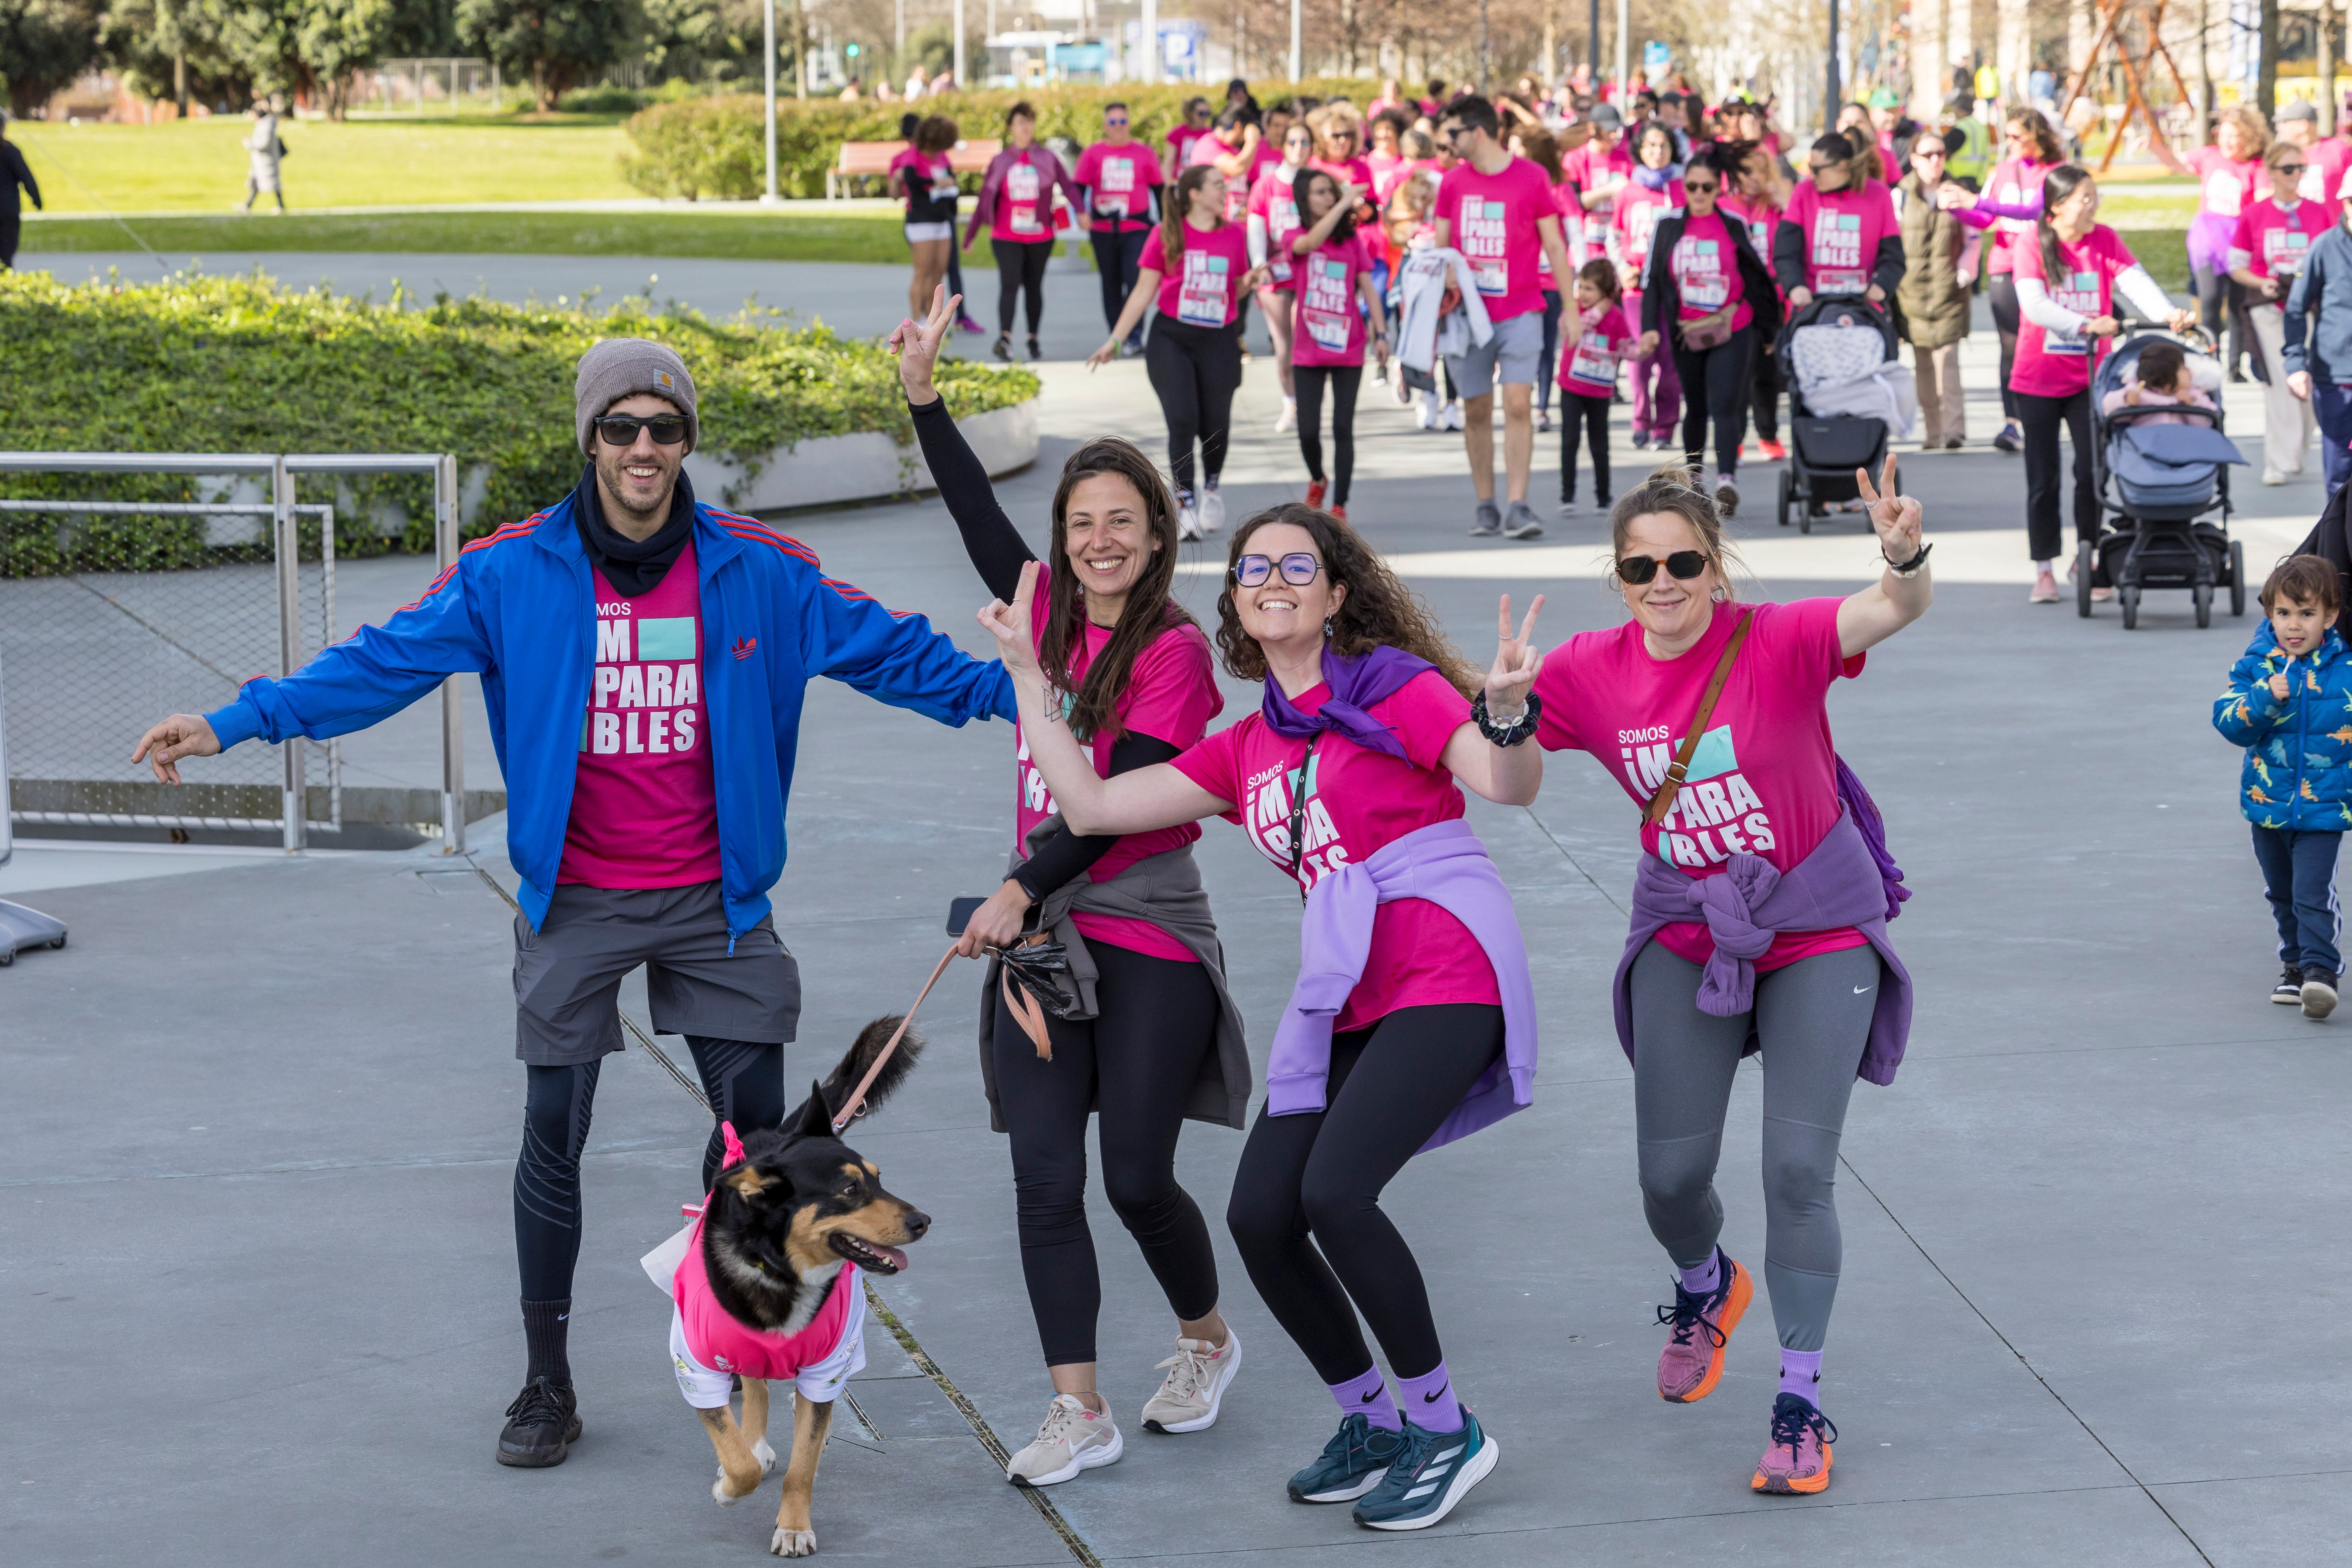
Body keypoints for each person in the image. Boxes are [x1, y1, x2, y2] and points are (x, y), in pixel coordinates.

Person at [128, 339, 1013, 1470]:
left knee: (758, 1143)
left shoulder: (759, 570)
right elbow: (378, 661)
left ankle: (738, 1341)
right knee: (556, 1133)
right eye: (621, 428)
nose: (644, 449)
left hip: (716, 900)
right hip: (577, 899)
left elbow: (900, 656)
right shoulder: (511, 572)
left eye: (665, 428)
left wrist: (1030, 696)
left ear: (688, 440)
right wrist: (235, 721)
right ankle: (546, 1380)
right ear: (589, 438)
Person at [977, 508, 1546, 1533]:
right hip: (1349, 991)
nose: (1273, 579)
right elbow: (1094, 808)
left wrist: (1505, 717)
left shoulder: (1397, 689)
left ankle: (1444, 1426)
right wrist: (1028, 674)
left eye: (1298, 565)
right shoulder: (1249, 747)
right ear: (1236, 601)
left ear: (1336, 594)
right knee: (1259, 1216)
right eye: (1252, 568)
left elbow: (1500, 785)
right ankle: (1369, 1422)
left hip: (1445, 969)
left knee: (1335, 1192)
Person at [888, 289, 1251, 1487]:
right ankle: (1076, 1406)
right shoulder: (1041, 606)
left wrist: (1013, 881)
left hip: (1142, 923)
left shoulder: (1173, 654)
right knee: (1044, 1172)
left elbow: (1111, 807)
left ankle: (1205, 1337)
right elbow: (969, 511)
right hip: (1039, 933)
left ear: (1154, 536)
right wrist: (925, 396)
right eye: (1079, 521)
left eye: (1121, 522)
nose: (1098, 540)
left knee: (1135, 1173)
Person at [1531, 455, 1930, 1497]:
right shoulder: (1585, 668)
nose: (1659, 581)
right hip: (1685, 921)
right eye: (1638, 566)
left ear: (1716, 568)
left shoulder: (1779, 639)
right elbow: (1499, 760)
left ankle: (1798, 1399)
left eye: (1681, 562)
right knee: (1668, 1179)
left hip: (1812, 919)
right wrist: (1490, 707)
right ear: (1616, 576)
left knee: (1796, 1170)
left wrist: (1903, 556)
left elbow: (1891, 607)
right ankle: (1706, 1282)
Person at [2009, 165, 2197, 603]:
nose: (2092, 204)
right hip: (2036, 378)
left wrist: (2169, 313)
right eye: (2084, 198)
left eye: (2094, 196)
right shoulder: (2030, 242)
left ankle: (2087, 558)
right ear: (2057, 207)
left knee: (2092, 472)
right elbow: (2034, 305)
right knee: (2043, 477)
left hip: (2090, 379)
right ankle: (2043, 569)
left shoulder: (2103, 238)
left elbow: (2133, 281)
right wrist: (2085, 324)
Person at [1089, 164, 1271, 539]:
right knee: (1183, 418)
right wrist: (1116, 340)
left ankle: (1213, 488)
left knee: (1215, 424)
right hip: (1171, 338)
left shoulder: (1234, 236)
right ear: (1194, 194)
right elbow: (1143, 291)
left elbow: (1233, 291)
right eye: (1218, 186)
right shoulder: (1166, 233)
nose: (1226, 193)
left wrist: (1247, 283)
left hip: (1219, 339)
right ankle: (1184, 502)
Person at [1435, 96, 1579, 540]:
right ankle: (1486, 504)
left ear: (1477, 132)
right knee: (1476, 410)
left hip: (1521, 309)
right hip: (1468, 317)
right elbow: (1441, 250)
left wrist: (1571, 307)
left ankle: (1517, 504)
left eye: (1453, 133)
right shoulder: (1452, 183)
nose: (1447, 141)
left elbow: (1554, 245)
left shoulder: (1532, 177)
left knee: (1518, 404)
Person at [2214, 554, 2351, 1020]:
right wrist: (2262, 698)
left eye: (2307, 613)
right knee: (2281, 892)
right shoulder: (2257, 666)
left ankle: (2319, 972)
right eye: (2283, 613)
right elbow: (2230, 725)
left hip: (2323, 807)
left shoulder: (2345, 670)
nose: (2294, 626)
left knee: (2312, 892)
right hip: (2265, 804)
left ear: (2329, 617)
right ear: (2269, 614)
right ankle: (2293, 965)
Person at [1638, 147, 1784, 515]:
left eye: (1707, 187)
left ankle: (1727, 482)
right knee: (1697, 406)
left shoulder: (1733, 223)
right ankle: (1696, 481)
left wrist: (1769, 331)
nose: (1700, 194)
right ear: (1683, 187)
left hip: (1733, 324)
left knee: (1725, 403)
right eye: (1692, 187)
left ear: (1718, 188)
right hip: (1686, 330)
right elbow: (1652, 281)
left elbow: (1757, 275)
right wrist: (1648, 329)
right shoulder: (1668, 224)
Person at [1939, 108, 2064, 452]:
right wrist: (1956, 207)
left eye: (2016, 136)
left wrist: (1977, 200)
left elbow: (2037, 211)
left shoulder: (2054, 172)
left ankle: (2045, 415)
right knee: (2010, 345)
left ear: (2037, 137)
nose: (2008, 143)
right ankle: (2012, 424)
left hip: (2042, 265)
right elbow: (1983, 219)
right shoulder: (2003, 171)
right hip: (2005, 264)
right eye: (2007, 135)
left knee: (2041, 341)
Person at [1285, 166, 1389, 519]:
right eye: (1320, 193)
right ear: (1304, 199)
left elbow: (1369, 289)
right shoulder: (1294, 236)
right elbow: (1311, 243)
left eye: (1332, 192)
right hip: (1308, 348)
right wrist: (1345, 200)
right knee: (1308, 430)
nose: (1328, 198)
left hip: (1349, 347)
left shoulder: (1351, 241)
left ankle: (1340, 506)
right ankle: (1318, 477)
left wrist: (1381, 332)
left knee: (1343, 427)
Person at [2231, 139, 2329, 484]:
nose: (2295, 175)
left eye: (2300, 168)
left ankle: (2297, 451)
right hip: (2269, 309)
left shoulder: (2319, 212)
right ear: (2271, 172)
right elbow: (2236, 266)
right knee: (2281, 383)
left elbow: (2331, 261)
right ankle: (2277, 461)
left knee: (2309, 382)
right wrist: (2262, 283)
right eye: (2288, 169)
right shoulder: (2254, 215)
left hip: (2311, 309)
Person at [2152, 105, 2271, 383]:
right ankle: (2211, 359)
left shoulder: (2256, 166)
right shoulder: (2210, 156)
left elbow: (2264, 202)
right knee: (2210, 301)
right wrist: (2157, 146)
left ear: (2249, 138)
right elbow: (2176, 165)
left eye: (2234, 136)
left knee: (2238, 307)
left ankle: (2233, 366)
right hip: (2207, 241)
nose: (2227, 141)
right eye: (2223, 134)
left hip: (2239, 242)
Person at [967, 102, 1082, 365]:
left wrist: (1082, 211)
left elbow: (1068, 186)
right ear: (1011, 127)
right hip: (1006, 236)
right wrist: (970, 235)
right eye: (1020, 122)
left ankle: (1033, 338)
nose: (1025, 127)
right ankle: (1005, 339)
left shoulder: (1047, 159)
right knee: (1010, 283)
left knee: (1034, 287)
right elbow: (985, 198)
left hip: (1040, 235)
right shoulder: (1001, 161)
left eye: (1029, 121)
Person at [1894, 132, 1980, 450]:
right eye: (1928, 155)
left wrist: (1966, 271)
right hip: (1912, 294)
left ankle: (1954, 431)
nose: (1936, 161)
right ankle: (1932, 433)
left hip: (1949, 291)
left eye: (1941, 154)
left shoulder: (1958, 192)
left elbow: (1973, 238)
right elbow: (1890, 242)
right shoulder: (1900, 196)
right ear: (1914, 159)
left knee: (1949, 362)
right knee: (1924, 367)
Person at [1613, 122, 1689, 454]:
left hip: (1675, 290)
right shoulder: (1629, 191)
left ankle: (1665, 427)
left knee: (1672, 364)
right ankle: (1641, 422)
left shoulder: (1684, 187)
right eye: (1651, 146)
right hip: (1637, 290)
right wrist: (1623, 268)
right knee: (1640, 360)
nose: (1657, 152)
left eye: (1664, 146)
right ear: (1640, 150)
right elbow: (1613, 235)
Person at [1077, 102, 1167, 360]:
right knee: (1111, 283)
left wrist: (1166, 227)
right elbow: (1077, 188)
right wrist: (1081, 213)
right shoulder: (1093, 154)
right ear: (1106, 126)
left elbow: (1160, 192)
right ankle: (1117, 336)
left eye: (1123, 122)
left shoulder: (1144, 153)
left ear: (1129, 123)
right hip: (1103, 229)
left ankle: (1136, 337)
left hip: (1137, 228)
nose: (1118, 127)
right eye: (1113, 122)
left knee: (1135, 280)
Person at [1774, 133, 1902, 313]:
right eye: (1810, 168)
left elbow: (1893, 254)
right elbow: (1786, 250)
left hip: (1863, 307)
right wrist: (1795, 286)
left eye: (1817, 169)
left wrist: (1882, 286)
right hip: (1813, 306)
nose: (1812, 176)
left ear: (1842, 166)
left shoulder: (1878, 194)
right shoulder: (1804, 192)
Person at [2283, 165, 2352, 494]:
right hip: (2337, 375)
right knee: (2340, 472)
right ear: (2343, 203)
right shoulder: (2324, 247)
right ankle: (2338, 544)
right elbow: (2296, 308)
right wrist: (2296, 364)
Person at [1722, 141, 1792, 462]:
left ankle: (1768, 434)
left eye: (1759, 171)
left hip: (1773, 299)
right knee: (1738, 370)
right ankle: (1733, 437)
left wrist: (1784, 202)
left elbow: (1797, 237)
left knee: (1768, 372)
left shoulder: (1778, 205)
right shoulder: (1725, 206)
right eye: (1746, 171)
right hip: (1736, 299)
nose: (1752, 178)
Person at [1249, 120, 1318, 433]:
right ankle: (1290, 402)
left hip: (1309, 273)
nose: (1298, 148)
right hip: (1275, 275)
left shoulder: (1318, 182)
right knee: (1283, 346)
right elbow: (1256, 226)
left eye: (1305, 142)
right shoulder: (1266, 185)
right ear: (1283, 145)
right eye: (1292, 142)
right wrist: (1260, 263)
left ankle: (1308, 403)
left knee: (1303, 341)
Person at [1559, 257, 1634, 515]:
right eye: (1581, 287)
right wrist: (1599, 310)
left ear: (1604, 291)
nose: (1583, 293)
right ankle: (1567, 495)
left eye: (1590, 289)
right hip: (1571, 385)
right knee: (1570, 440)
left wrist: (1643, 348)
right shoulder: (1574, 311)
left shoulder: (1616, 316)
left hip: (1600, 390)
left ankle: (1603, 497)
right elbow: (1573, 331)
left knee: (1599, 443)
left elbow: (1626, 347)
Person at [1513, 128, 1571, 433]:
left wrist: (1576, 279)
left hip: (1550, 283)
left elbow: (1572, 235)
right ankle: (1521, 400)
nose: (1512, 157)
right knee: (1524, 346)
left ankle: (1543, 407)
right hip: (1522, 281)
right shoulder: (1516, 187)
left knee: (1547, 347)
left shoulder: (1561, 190)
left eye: (1518, 150)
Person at [891, 115, 964, 327]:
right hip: (921, 221)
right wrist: (937, 182)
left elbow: (951, 178)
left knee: (938, 272)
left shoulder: (941, 156)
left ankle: (930, 320)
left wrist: (946, 184)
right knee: (922, 272)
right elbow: (911, 180)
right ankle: (916, 321)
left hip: (942, 221)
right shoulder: (913, 156)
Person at [2100, 337, 2216, 426]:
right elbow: (2107, 408)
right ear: (2168, 377)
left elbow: (2208, 423)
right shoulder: (2139, 392)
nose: (2190, 371)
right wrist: (2126, 399)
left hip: (2184, 448)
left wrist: (2192, 405)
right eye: (2183, 368)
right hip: (2147, 447)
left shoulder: (2193, 394)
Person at [0, 111, 41, 269]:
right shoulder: (11, 151)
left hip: (7, 212)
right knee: (6, 257)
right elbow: (27, 178)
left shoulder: (10, 151)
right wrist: (37, 201)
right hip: (8, 212)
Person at [239, 102, 285, 214]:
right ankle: (248, 206)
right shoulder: (264, 125)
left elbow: (264, 144)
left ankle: (281, 206)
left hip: (267, 161)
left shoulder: (267, 126)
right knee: (256, 183)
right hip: (260, 162)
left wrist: (249, 144)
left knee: (272, 184)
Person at [1169, 98, 1214, 168]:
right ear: (1191, 113)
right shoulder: (1177, 133)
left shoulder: (1211, 134)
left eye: (1207, 114)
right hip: (1181, 177)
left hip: (1203, 176)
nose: (1204, 117)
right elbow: (1168, 163)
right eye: (1201, 114)